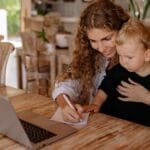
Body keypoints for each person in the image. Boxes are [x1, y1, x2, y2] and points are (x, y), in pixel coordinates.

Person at [52, 0, 148, 123]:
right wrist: (65, 105)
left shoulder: (139, 57)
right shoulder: (87, 55)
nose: (101, 48)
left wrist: (145, 97)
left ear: (123, 30)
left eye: (107, 38)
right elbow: (65, 82)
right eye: (93, 41)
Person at [84, 19, 150, 126]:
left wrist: (145, 96)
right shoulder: (119, 70)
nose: (123, 61)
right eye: (120, 55)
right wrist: (96, 104)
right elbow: (104, 90)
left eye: (129, 57)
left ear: (147, 55)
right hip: (114, 127)